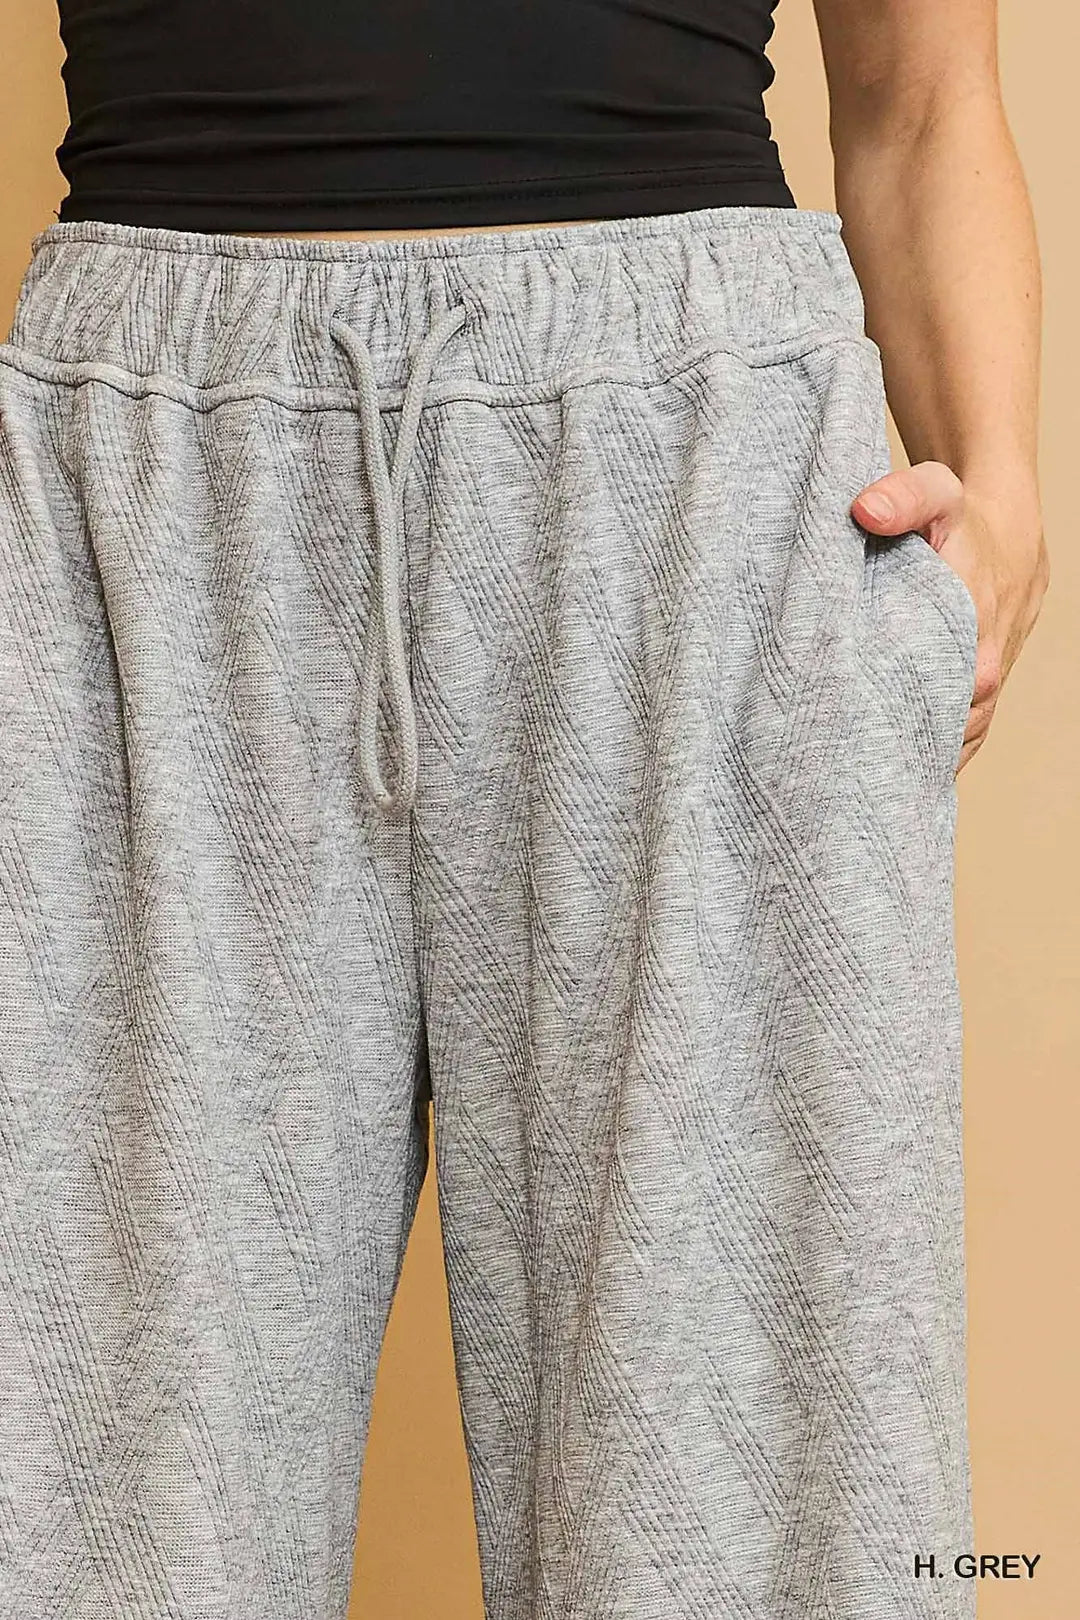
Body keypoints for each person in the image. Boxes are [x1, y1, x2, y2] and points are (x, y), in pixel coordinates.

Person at [0, 1, 1048, 1617]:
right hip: (134, 481)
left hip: (694, 477)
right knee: (86, 1503)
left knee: (756, 1527)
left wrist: (1003, 493)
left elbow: (919, 94)